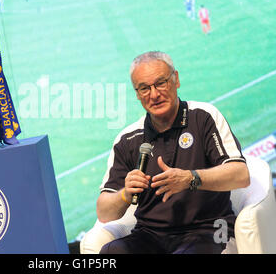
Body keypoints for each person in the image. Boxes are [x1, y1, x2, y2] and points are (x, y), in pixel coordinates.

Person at [97, 51, 250, 254]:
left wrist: (191, 178)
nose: (154, 94)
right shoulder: (128, 140)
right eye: (144, 88)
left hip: (211, 228)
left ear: (176, 79)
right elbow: (104, 212)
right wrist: (125, 194)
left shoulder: (203, 117)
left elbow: (241, 175)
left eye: (160, 83)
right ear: (137, 93)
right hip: (151, 235)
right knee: (111, 253)